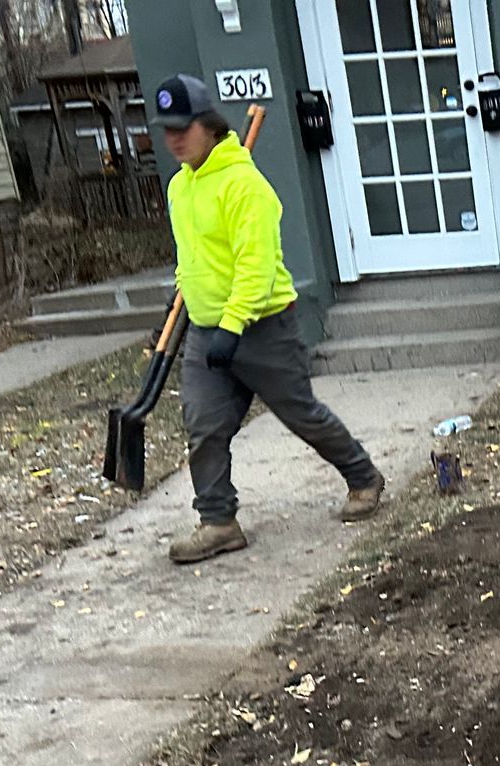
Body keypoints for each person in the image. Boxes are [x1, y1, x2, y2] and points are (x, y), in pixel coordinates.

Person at [151, 73, 385, 565]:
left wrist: (233, 327)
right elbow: (191, 258)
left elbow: (256, 269)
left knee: (300, 413)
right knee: (203, 424)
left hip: (261, 327)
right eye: (167, 128)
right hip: (206, 330)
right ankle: (218, 521)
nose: (173, 137)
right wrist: (186, 307)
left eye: (183, 126)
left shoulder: (245, 186)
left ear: (209, 124)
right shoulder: (179, 188)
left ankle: (363, 476)